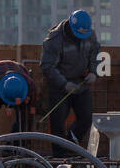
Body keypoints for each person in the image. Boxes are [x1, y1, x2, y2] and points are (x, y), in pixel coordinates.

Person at [40, 9, 100, 154]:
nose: (80, 37)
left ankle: (70, 146)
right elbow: (47, 66)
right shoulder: (55, 39)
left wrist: (93, 72)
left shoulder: (89, 35)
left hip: (81, 83)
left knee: (86, 118)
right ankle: (59, 159)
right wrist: (64, 84)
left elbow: (95, 53)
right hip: (59, 87)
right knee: (58, 123)